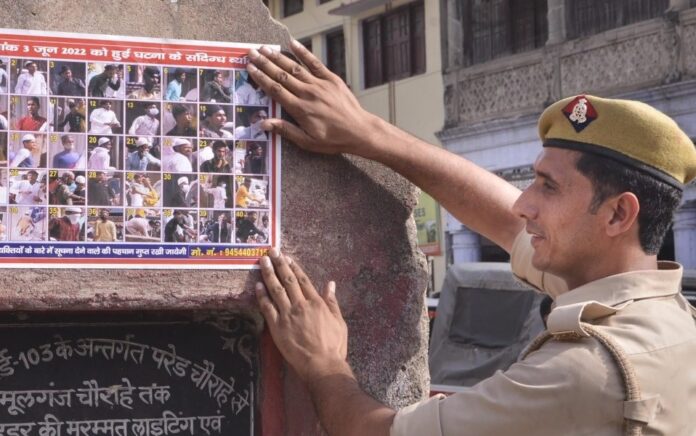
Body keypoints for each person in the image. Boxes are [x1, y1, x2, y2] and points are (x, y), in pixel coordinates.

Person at [246, 44, 696, 435]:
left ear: (618, 213)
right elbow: (501, 216)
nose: (524, 205)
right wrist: (367, 134)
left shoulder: (584, 370)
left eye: (548, 187)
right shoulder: (665, 317)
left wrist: (323, 363)